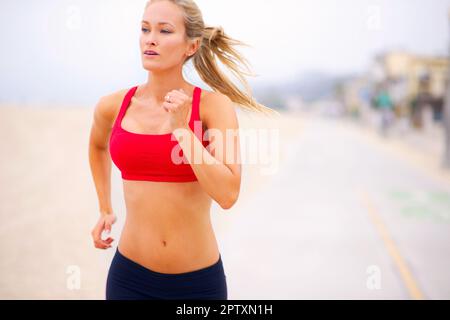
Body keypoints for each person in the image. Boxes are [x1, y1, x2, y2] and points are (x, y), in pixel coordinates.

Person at [88, 0, 274, 300]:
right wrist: (104, 208)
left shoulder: (215, 108)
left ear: (191, 46)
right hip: (128, 279)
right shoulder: (112, 106)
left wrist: (182, 130)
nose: (150, 38)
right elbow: (98, 146)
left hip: (198, 286)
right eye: (145, 29)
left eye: (165, 30)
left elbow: (228, 194)